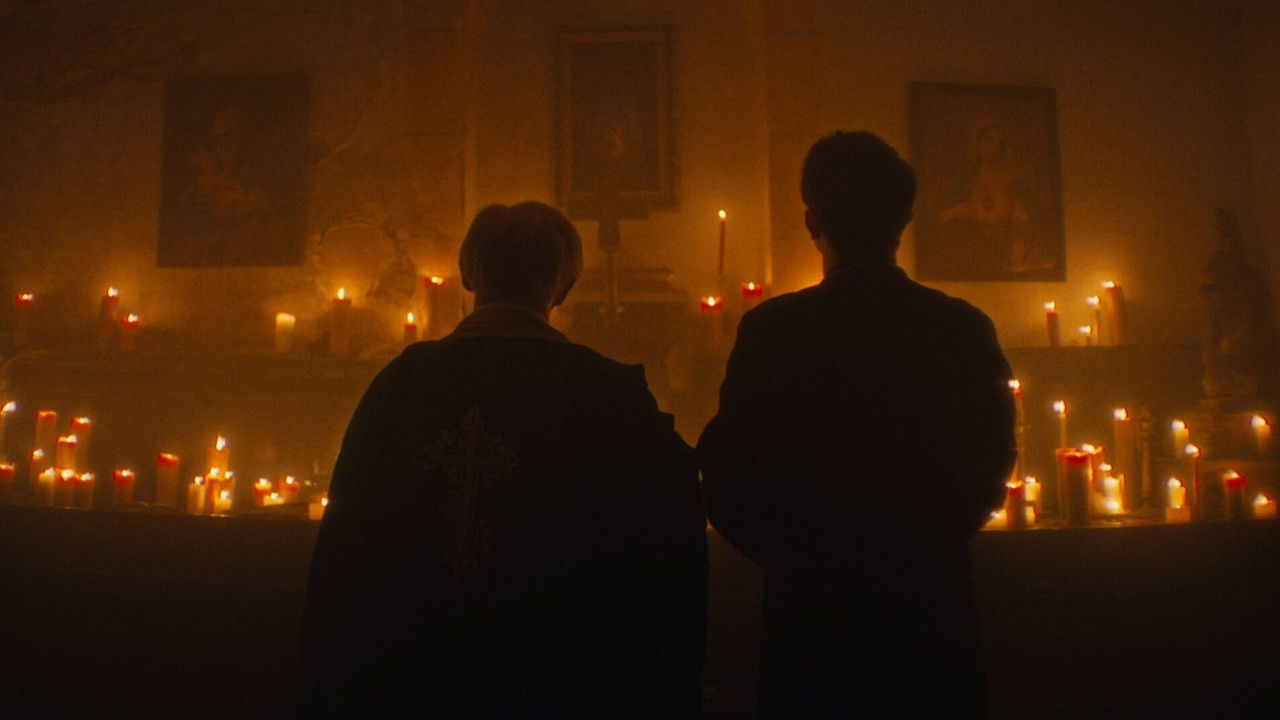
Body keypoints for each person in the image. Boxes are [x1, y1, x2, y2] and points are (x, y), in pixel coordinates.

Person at [300, 201, 707, 718]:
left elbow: (346, 543)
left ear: (470, 276)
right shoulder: (607, 393)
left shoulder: (403, 384)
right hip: (553, 676)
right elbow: (669, 540)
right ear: (564, 287)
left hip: (411, 675)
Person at [698, 131, 1015, 718]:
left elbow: (727, 479)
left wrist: (801, 561)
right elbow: (990, 468)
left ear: (812, 219)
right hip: (929, 618)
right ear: (905, 218)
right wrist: (921, 545)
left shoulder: (776, 332)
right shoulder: (960, 329)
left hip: (814, 625)